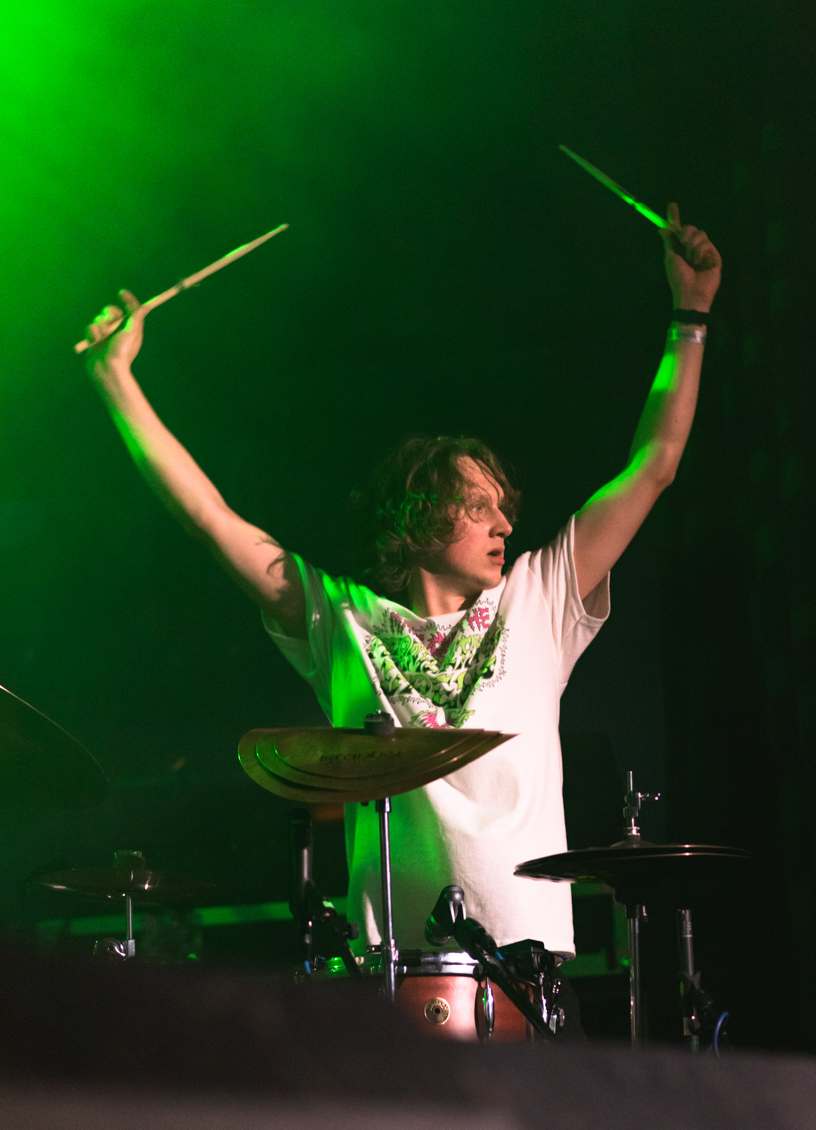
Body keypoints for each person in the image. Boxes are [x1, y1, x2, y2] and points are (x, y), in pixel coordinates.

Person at [81, 203, 720, 963]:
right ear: (419, 518)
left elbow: (655, 464)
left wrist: (690, 316)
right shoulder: (343, 620)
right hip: (389, 972)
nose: (503, 525)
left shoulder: (538, 598)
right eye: (478, 507)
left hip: (527, 965)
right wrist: (115, 380)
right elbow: (207, 516)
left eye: (504, 509)